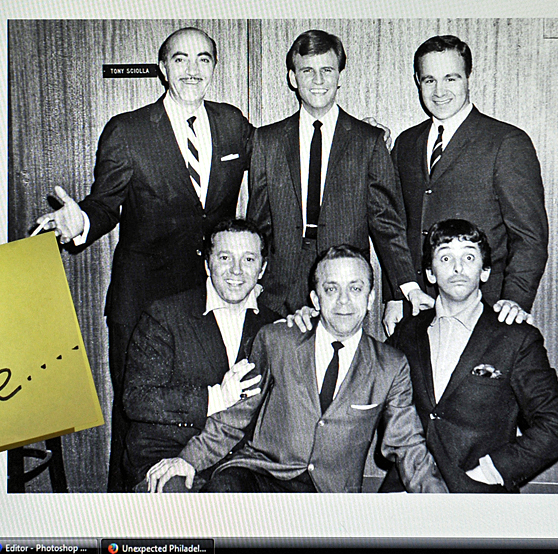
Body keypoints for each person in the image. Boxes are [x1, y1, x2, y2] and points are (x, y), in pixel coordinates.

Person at [34, 27, 253, 492]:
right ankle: (125, 512)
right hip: (142, 298)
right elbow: (105, 203)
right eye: (180, 59)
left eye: (203, 59)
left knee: (206, 411)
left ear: (214, 67)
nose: (192, 70)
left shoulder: (233, 123)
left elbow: (275, 158)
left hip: (207, 298)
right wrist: (79, 222)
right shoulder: (128, 130)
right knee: (139, 417)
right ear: (162, 68)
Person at [145, 245, 447, 494]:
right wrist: (188, 459)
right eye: (331, 289)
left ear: (370, 299)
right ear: (315, 299)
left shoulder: (390, 366)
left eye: (355, 289)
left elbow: (407, 444)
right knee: (224, 496)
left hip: (328, 493)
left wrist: (441, 505)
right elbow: (236, 415)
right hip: (260, 475)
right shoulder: (277, 340)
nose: (343, 301)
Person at [382, 219, 558, 493]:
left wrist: (493, 470)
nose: (458, 268)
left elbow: (557, 425)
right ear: (430, 274)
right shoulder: (407, 332)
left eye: (469, 257)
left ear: (485, 271)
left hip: (476, 495)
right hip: (407, 492)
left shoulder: (515, 336)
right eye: (445, 257)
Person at [248, 29, 417, 317]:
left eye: (326, 70)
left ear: (340, 76)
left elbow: (386, 222)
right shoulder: (267, 141)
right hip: (280, 286)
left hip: (344, 281)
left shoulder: (368, 141)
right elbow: (259, 222)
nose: (318, 81)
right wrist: (254, 282)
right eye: (307, 71)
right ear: (293, 78)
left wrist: (408, 287)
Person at [387, 35, 548, 335]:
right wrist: (396, 295)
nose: (439, 91)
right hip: (418, 310)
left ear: (468, 77)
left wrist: (514, 301)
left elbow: (529, 236)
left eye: (451, 78)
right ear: (417, 81)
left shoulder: (506, 142)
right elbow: (395, 227)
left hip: (487, 312)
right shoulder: (406, 143)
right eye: (429, 80)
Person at [121, 219, 280, 491]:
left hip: (238, 461)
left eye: (248, 259)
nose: (236, 270)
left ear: (262, 268)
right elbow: (137, 400)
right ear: (208, 264)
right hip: (167, 453)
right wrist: (216, 398)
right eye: (225, 257)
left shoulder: (274, 325)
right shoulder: (164, 315)